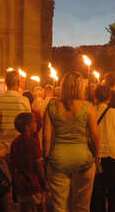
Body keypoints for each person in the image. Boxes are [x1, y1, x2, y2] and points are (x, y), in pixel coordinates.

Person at [43, 71, 99, 212]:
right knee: (82, 206)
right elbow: (94, 136)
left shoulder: (51, 106)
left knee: (59, 206)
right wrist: (96, 155)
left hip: (59, 159)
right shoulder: (88, 107)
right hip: (83, 158)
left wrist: (46, 157)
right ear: (80, 87)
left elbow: (46, 136)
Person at [90, 85, 115, 212]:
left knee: (97, 193)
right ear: (109, 97)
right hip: (113, 156)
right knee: (114, 192)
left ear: (95, 96)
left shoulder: (90, 112)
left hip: (95, 157)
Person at [11, 112, 47, 212]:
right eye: (34, 122)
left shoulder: (15, 142)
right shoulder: (33, 143)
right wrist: (43, 180)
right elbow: (38, 165)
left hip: (21, 182)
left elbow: (13, 164)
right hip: (33, 182)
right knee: (40, 207)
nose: (36, 124)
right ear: (27, 126)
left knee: (25, 207)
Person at [0, 70, 31, 147]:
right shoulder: (24, 100)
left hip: (2, 143)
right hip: (20, 143)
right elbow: (29, 123)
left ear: (6, 83)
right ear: (19, 83)